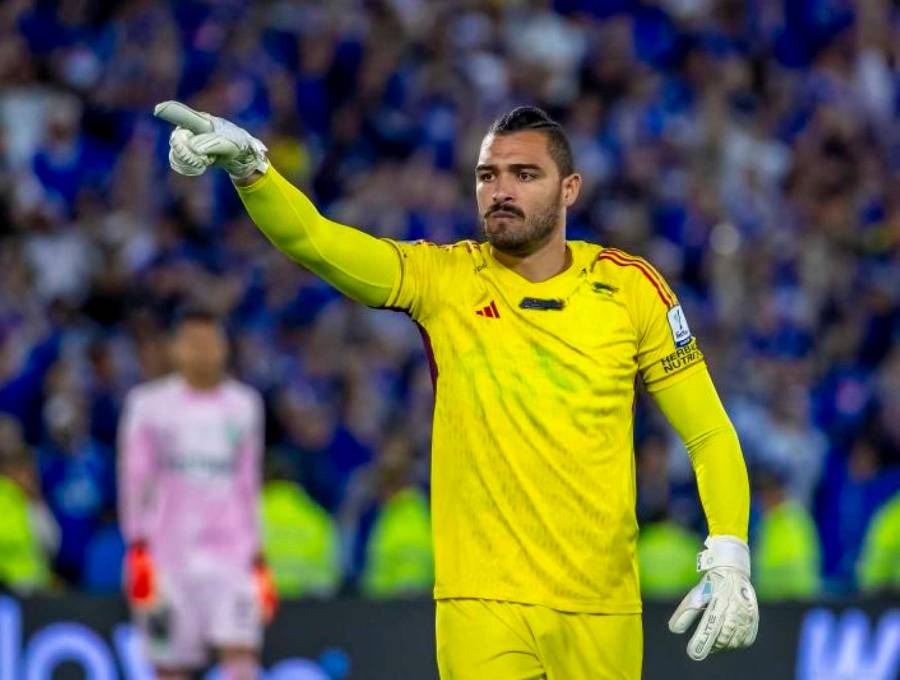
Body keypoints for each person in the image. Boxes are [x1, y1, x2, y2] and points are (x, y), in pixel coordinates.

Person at [156, 101, 758, 679]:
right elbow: (317, 240)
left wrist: (729, 548)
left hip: (602, 607)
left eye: (525, 174)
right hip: (481, 604)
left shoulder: (631, 290)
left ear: (569, 189)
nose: (502, 190)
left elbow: (707, 431)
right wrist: (253, 171)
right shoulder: (444, 280)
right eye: (488, 175)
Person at [118, 306, 276, 680]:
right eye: (193, 342)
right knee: (169, 666)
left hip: (232, 556)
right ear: (175, 348)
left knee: (241, 652)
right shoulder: (148, 405)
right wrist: (137, 545)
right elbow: (133, 479)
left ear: (224, 347)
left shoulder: (245, 405)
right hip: (166, 557)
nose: (203, 351)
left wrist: (257, 551)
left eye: (210, 342)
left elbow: (248, 481)